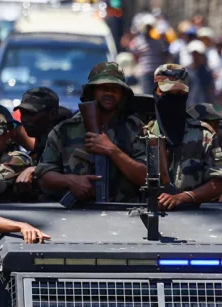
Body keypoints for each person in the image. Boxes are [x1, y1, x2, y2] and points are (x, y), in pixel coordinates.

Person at [36, 63, 149, 203]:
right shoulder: (65, 130)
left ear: (122, 95)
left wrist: (113, 151)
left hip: (123, 213)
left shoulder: (134, 129)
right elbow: (43, 175)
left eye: (115, 89)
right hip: (74, 215)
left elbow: (147, 177)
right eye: (103, 88)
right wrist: (70, 181)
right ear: (92, 92)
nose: (109, 93)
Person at [143, 64, 222, 210]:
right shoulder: (142, 133)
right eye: (168, 94)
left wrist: (181, 198)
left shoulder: (204, 134)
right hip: (146, 215)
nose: (173, 99)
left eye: (179, 94)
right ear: (156, 92)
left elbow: (216, 184)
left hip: (193, 216)